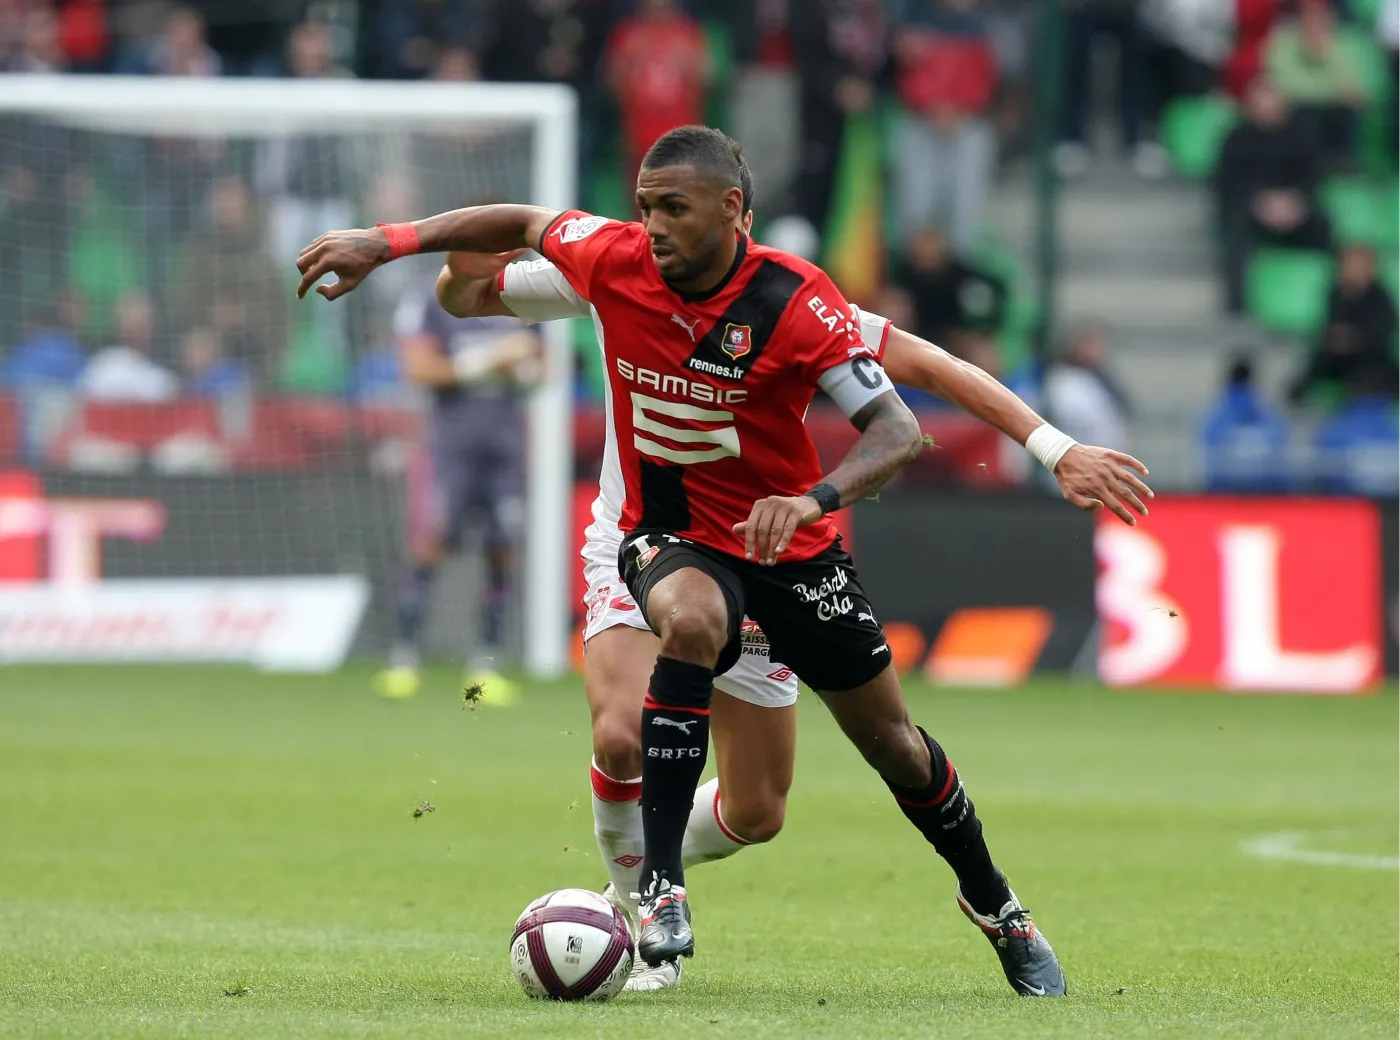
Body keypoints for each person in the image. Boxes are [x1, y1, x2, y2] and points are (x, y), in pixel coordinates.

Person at [295, 125, 1150, 999]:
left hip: (782, 547)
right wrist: (393, 245)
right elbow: (489, 264)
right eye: (646, 208)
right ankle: (651, 906)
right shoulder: (611, 263)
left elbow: (921, 381)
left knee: (784, 797)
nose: (655, 226)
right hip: (650, 539)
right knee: (630, 717)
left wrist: (1052, 448)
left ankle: (996, 906)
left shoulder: (795, 303)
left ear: (733, 212)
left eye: (674, 208)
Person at [374, 279, 542, 702]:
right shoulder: (431, 300)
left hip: (504, 451)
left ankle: (485, 667)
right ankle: (403, 660)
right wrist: (491, 358)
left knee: (503, 549)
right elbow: (418, 369)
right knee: (429, 543)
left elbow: (542, 368)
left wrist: (522, 368)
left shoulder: (521, 295)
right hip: (450, 450)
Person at [1215, 78, 1331, 315]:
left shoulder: (1301, 137)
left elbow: (1311, 176)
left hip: (1293, 206)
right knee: (1236, 226)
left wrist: (1295, 201)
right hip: (1251, 207)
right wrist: (1260, 203)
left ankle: (1324, 298)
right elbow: (1226, 182)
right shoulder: (1235, 139)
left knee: (1323, 223)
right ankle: (1238, 301)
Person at [892, 0, 1000, 250]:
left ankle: (962, 267)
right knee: (917, 206)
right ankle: (916, 267)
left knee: (965, 209)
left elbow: (984, 79)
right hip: (921, 121)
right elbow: (905, 77)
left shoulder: (981, 27)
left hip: (967, 123)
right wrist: (932, 104)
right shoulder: (912, 19)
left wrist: (957, 107)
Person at [1264, 0, 1372, 167]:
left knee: (1346, 111)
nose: (1314, 23)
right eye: (1309, 17)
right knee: (1305, 113)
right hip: (1296, 115)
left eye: (1321, 17)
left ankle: (1341, 167)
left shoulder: (1344, 46)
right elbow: (1285, 86)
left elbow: (1354, 90)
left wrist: (1326, 54)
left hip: (1332, 116)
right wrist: (1331, 92)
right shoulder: (1281, 43)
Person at [1290, 245, 1399, 404]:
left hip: (1370, 355)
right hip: (1337, 355)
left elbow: (1385, 332)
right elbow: (1328, 326)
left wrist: (1353, 338)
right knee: (1311, 367)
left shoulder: (1381, 296)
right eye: (1350, 265)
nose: (1355, 271)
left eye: (1361, 266)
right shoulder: (1335, 293)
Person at [1199, 355, 1293, 492]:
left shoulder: (1215, 417)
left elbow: (1210, 459)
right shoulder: (1268, 414)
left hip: (1225, 492)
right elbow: (1280, 451)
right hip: (1265, 491)